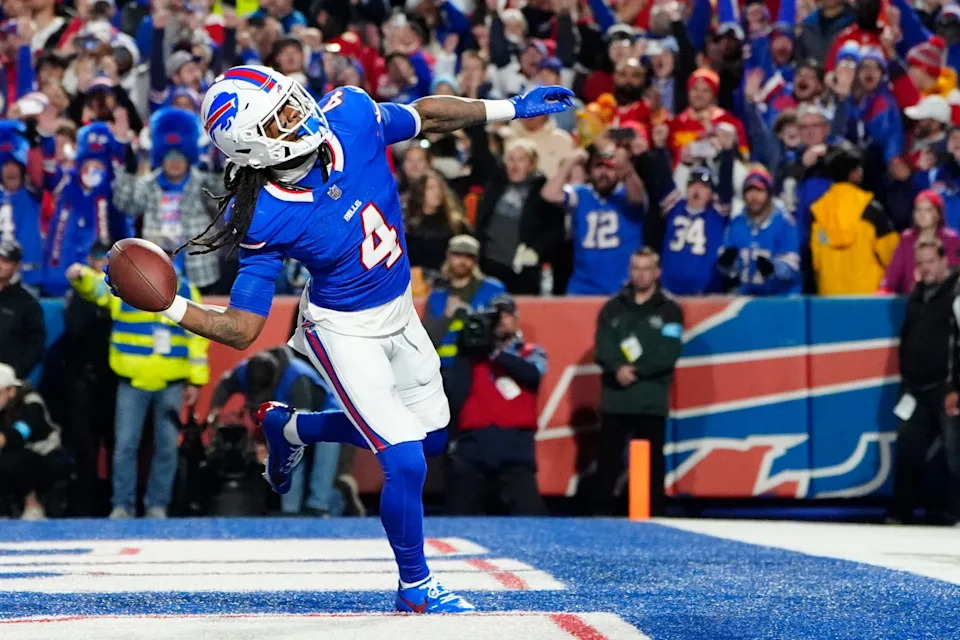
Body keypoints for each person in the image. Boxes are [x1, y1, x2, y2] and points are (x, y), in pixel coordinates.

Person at [104, 65, 574, 613]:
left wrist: (513, 107)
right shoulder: (262, 213)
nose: (299, 113)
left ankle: (293, 427)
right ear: (251, 146)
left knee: (434, 440)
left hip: (400, 308)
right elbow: (243, 328)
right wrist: (171, 306)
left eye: (290, 100)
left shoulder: (348, 117)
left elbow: (428, 115)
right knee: (405, 460)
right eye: (280, 116)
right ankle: (416, 588)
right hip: (341, 327)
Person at [71, 237, 209, 520]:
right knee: (125, 446)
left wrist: (196, 381)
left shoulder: (186, 289)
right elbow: (95, 288)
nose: (164, 258)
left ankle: (157, 505)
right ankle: (122, 505)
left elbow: (197, 339)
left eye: (168, 254)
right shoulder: (125, 284)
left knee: (167, 447)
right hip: (131, 381)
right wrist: (80, 275)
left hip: (172, 382)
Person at [587, 248, 683, 516]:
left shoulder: (670, 310)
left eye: (647, 268)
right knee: (608, 461)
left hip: (650, 400)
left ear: (657, 272)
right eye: (636, 268)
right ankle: (600, 517)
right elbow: (602, 346)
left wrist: (637, 370)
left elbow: (670, 351)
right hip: (615, 399)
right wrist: (617, 368)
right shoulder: (613, 307)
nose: (641, 274)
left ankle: (655, 515)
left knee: (653, 462)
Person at [207, 346, 344, 517]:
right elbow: (225, 385)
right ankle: (291, 513)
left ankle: (320, 506)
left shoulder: (297, 378)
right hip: (286, 417)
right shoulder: (245, 370)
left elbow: (299, 433)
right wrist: (215, 411)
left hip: (323, 414)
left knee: (310, 457)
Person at [446, 294, 548, 516]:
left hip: (515, 448)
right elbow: (456, 394)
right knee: (459, 514)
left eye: (507, 314)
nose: (502, 320)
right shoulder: (472, 357)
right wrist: (464, 348)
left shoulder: (531, 352)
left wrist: (496, 352)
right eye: (496, 316)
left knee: (532, 516)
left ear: (517, 318)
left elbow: (533, 374)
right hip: (474, 446)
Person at [893, 239, 960, 524]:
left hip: (946, 388)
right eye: (920, 263)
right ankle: (901, 513)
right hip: (916, 389)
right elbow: (907, 339)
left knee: (954, 453)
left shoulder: (957, 295)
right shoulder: (917, 295)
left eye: (931, 261)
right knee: (907, 448)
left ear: (944, 261)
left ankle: (956, 512)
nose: (926, 268)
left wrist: (957, 387)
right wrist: (906, 380)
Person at [540, 144, 646, 295]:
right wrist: (571, 161)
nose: (603, 172)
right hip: (583, 287)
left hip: (621, 289)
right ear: (590, 171)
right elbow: (548, 194)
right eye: (598, 167)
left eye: (610, 168)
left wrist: (627, 170)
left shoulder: (626, 195)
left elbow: (637, 199)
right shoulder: (581, 194)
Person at [62, 242, 116, 516]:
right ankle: (86, 506)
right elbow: (74, 333)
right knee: (85, 446)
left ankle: (116, 504)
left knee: (116, 443)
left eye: (106, 258)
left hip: (114, 378)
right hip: (84, 378)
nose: (101, 262)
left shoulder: (125, 292)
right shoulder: (81, 293)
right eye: (97, 257)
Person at [716, 167, 802, 295]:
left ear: (769, 193)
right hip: (746, 297)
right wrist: (727, 263)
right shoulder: (737, 224)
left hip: (780, 299)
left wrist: (774, 268)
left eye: (759, 190)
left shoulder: (785, 224)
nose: (754, 196)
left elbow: (792, 266)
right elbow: (728, 269)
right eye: (749, 191)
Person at [0, 363, 62, 520]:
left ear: (11, 391)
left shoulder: (32, 403)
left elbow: (20, 434)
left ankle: (33, 505)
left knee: (14, 458)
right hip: (12, 456)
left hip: (45, 457)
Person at [880, 190, 960, 294]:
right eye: (918, 210)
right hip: (911, 298)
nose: (922, 215)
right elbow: (892, 275)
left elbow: (954, 274)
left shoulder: (951, 239)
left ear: (938, 214)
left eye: (928, 210)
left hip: (944, 298)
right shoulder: (906, 239)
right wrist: (883, 292)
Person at [0, 239, 45, 380]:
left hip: (6, 380)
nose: (0, 265)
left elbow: (36, 345)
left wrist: (15, 373)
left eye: (6, 261)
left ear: (17, 266)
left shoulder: (27, 304)